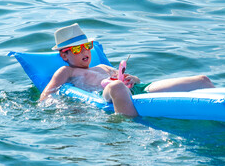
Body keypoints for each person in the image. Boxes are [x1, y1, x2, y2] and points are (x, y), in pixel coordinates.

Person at [40, 23, 215, 117]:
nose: (85, 51)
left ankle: (222, 109)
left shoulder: (102, 66)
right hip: (109, 95)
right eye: (78, 49)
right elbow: (46, 95)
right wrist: (63, 107)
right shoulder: (67, 71)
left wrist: (132, 79)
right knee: (117, 87)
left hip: (137, 90)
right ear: (64, 55)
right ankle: (130, 130)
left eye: (87, 46)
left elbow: (134, 80)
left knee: (202, 80)